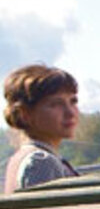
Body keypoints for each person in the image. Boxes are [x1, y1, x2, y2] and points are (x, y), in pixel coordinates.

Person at [2, 64, 80, 193]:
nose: (70, 112)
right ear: (25, 114)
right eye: (55, 104)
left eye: (73, 101)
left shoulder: (21, 157)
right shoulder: (40, 162)